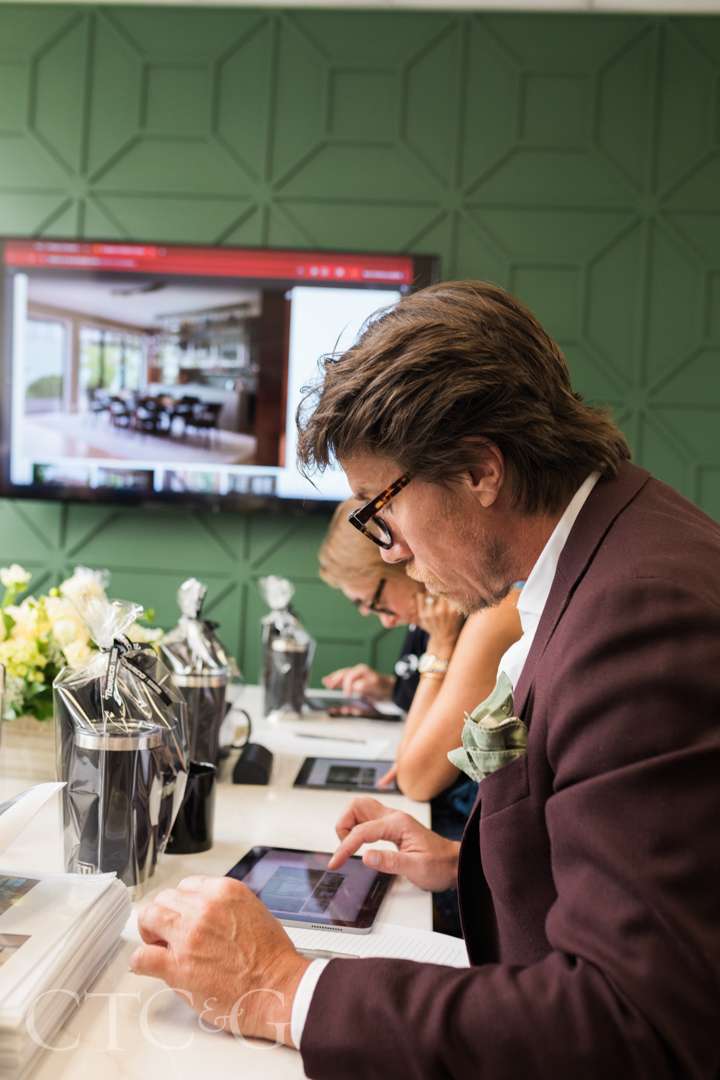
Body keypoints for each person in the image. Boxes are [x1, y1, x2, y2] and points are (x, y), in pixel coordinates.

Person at [131, 281, 720, 1079]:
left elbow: (632, 1022)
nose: (393, 550)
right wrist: (462, 863)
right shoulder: (616, 550)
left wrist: (283, 989)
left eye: (380, 508)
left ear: (479, 469)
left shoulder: (638, 614)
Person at [317, 497, 522, 809]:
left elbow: (414, 779)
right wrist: (390, 687)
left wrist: (439, 649)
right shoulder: (465, 615)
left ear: (401, 559)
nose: (387, 621)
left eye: (377, 602)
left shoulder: (491, 617)